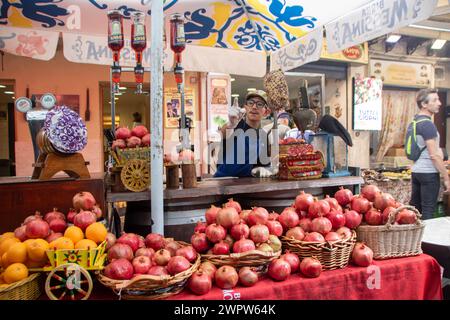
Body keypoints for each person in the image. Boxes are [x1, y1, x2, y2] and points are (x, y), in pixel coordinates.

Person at [409, 88, 449, 220]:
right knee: (428, 212)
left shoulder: (414, 122)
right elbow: (434, 155)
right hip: (429, 174)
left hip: (416, 172)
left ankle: (416, 240)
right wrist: (446, 178)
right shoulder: (427, 125)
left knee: (416, 210)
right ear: (424, 104)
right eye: (435, 100)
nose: (439, 103)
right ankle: (427, 241)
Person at [214, 90, 272, 177]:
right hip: (224, 183)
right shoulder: (236, 125)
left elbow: (262, 164)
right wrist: (230, 124)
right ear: (245, 107)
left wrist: (262, 169)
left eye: (259, 104)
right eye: (250, 103)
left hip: (246, 184)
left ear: (266, 112)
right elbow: (225, 132)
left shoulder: (263, 135)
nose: (254, 107)